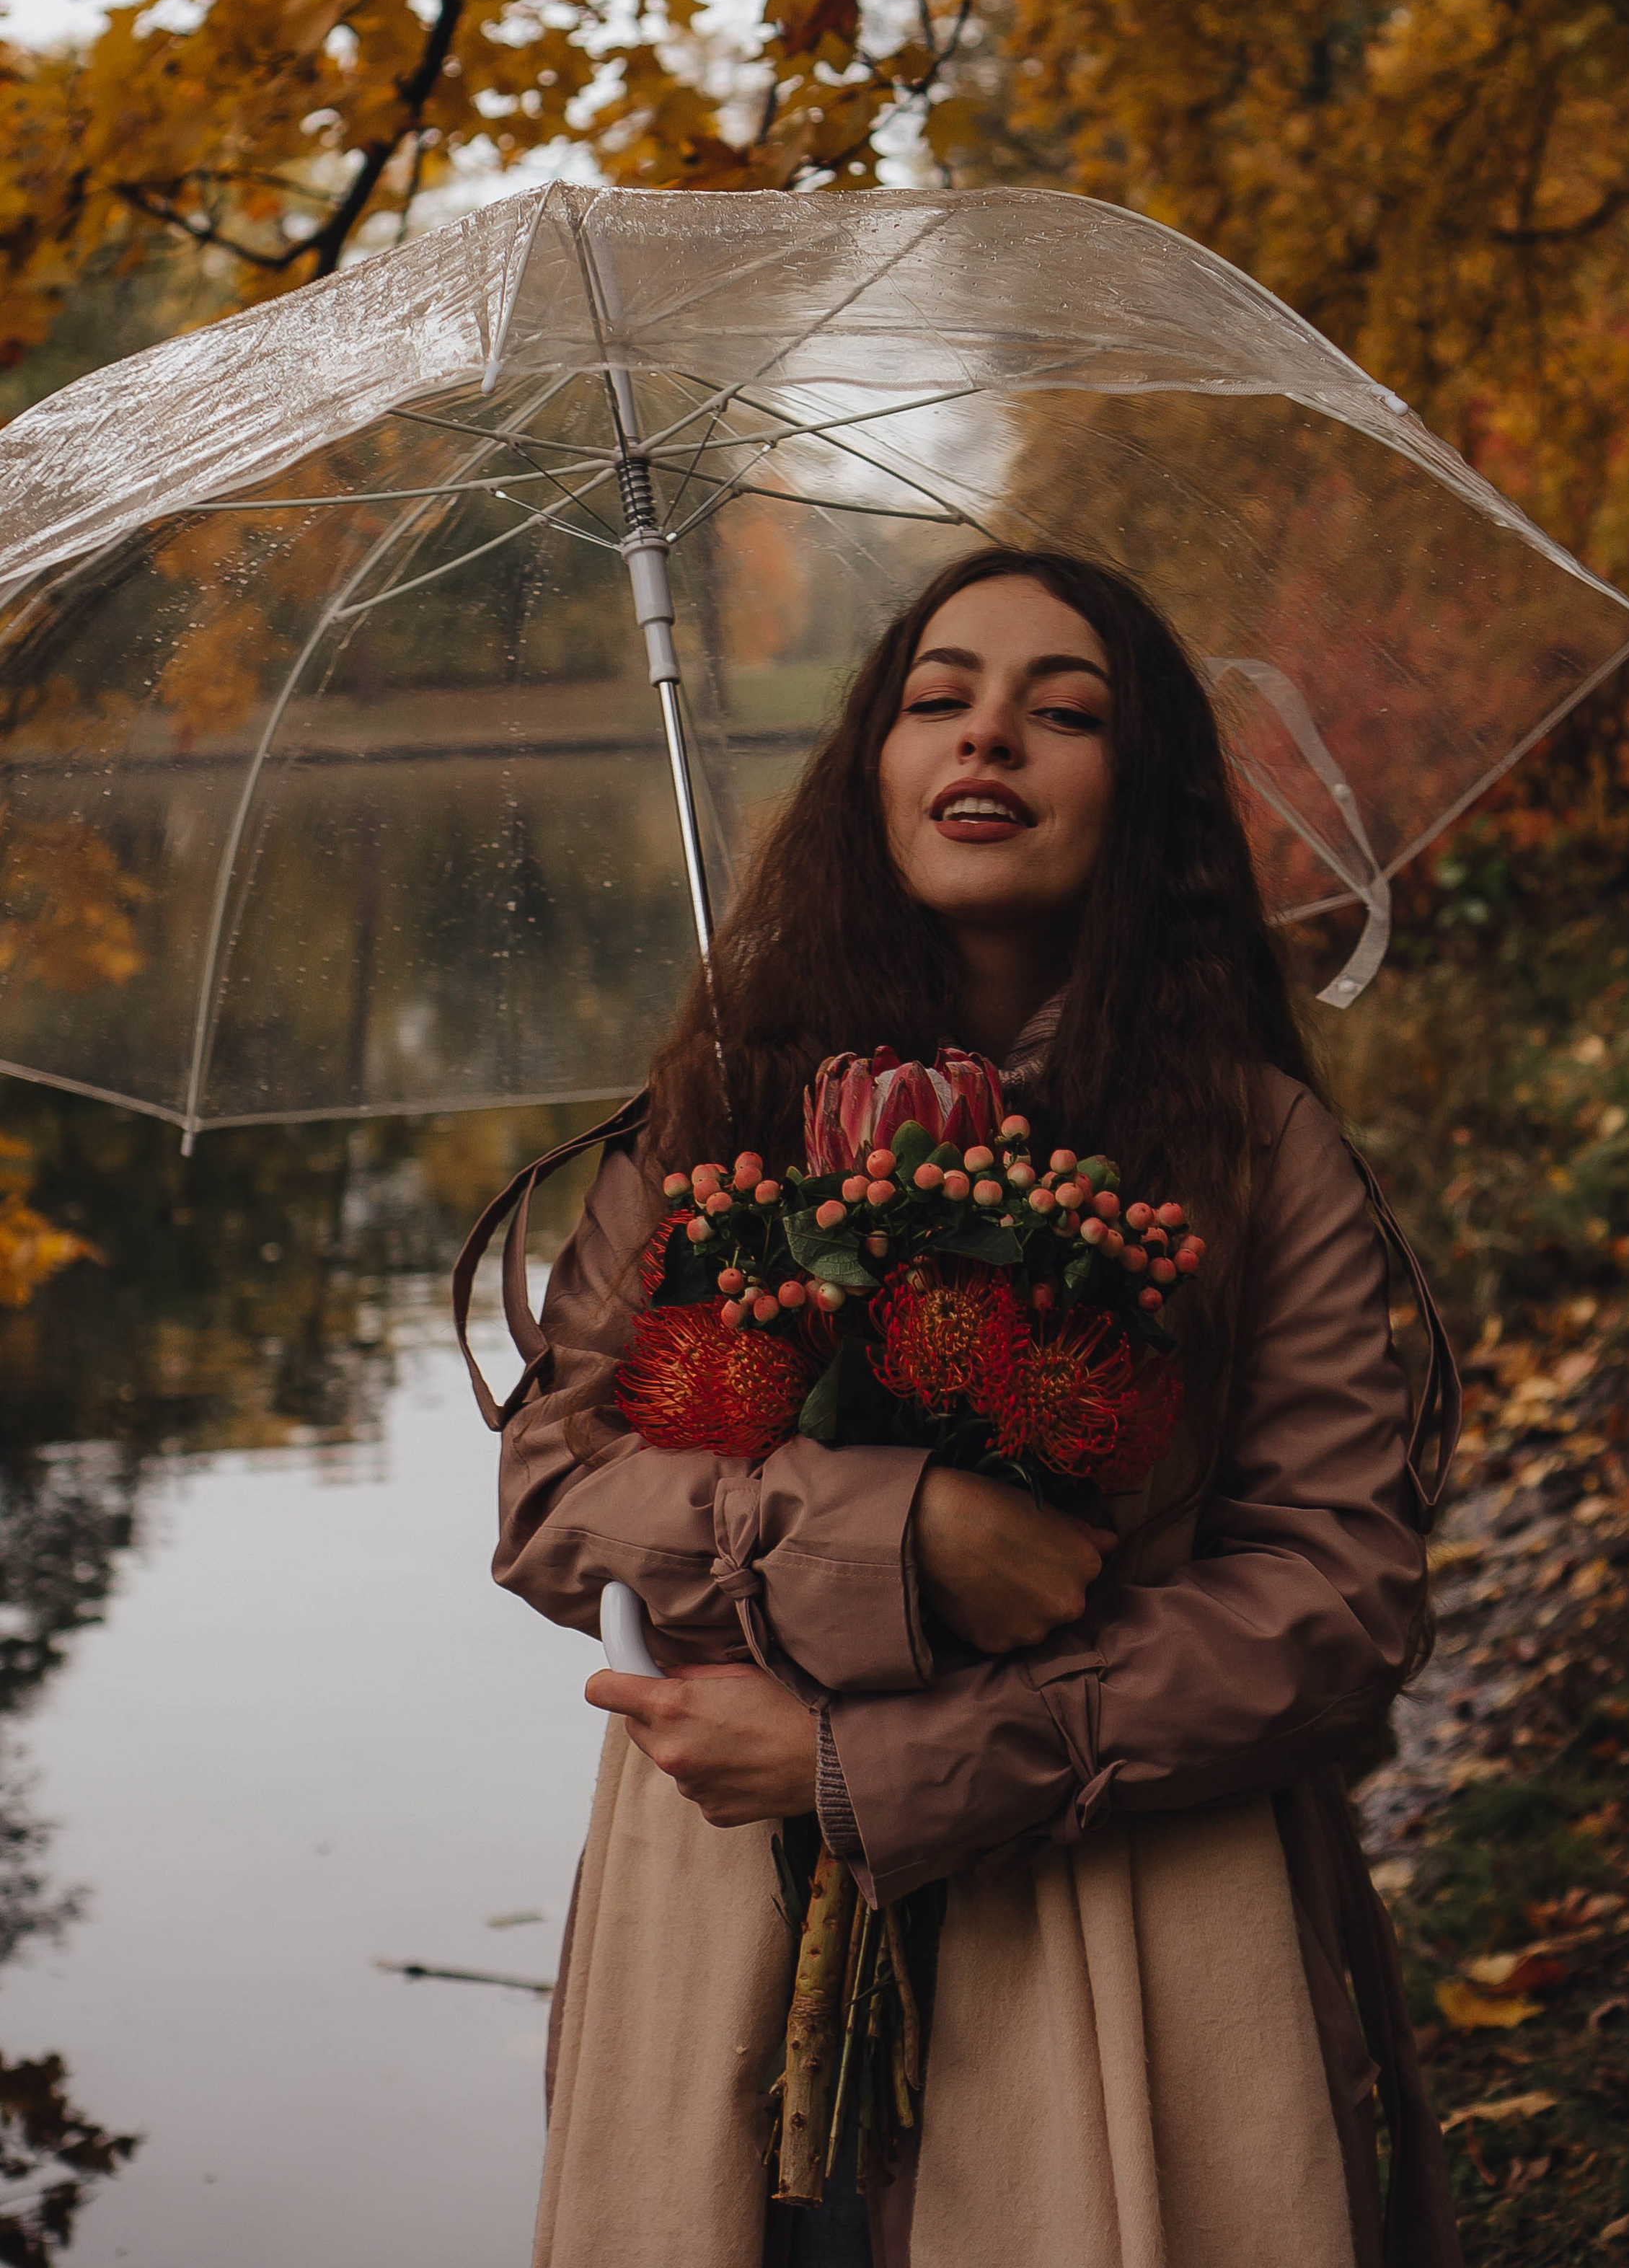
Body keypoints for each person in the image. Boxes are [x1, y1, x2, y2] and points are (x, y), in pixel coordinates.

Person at [456, 547, 1462, 2268]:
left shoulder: (1243, 1150)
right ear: (876, 770)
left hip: (1123, 1923)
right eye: (938, 701)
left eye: (1058, 713)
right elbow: (555, 1497)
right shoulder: (711, 1110)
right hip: (722, 1925)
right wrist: (890, 1529)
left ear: (1132, 801)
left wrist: (876, 1764)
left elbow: (1335, 1602)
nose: (985, 738)